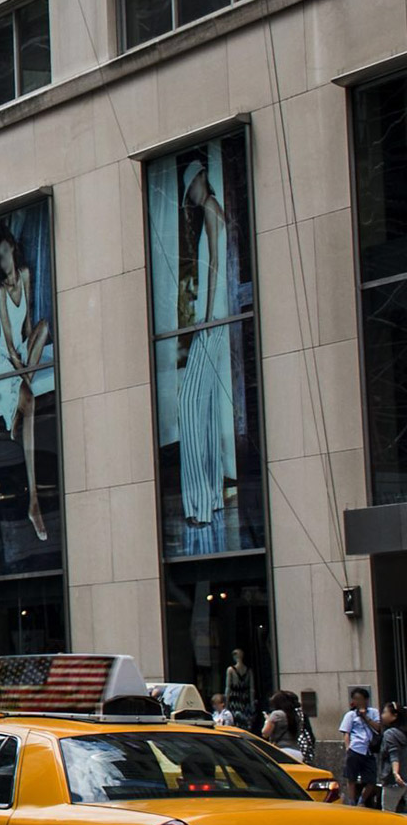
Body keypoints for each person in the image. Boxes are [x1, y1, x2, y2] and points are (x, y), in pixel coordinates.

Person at [176, 158, 237, 543]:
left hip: (213, 321)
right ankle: (211, 499)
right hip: (217, 318)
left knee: (188, 404)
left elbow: (216, 263)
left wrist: (208, 316)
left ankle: (199, 503)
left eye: (193, 187)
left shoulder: (212, 209)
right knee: (208, 409)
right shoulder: (214, 210)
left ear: (201, 179)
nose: (192, 196)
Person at [0, 221, 52, 541]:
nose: (3, 260)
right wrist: (24, 373)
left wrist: (30, 355)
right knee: (31, 400)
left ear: (12, 249)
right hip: (5, 359)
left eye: (5, 252)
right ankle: (33, 501)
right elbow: (10, 344)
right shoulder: (1, 291)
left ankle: (16, 414)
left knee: (45, 327)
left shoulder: (24, 275)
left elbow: (27, 326)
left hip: (23, 352)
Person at [341, 687, 382, 808]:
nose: (357, 702)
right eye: (355, 699)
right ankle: (352, 801)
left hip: (369, 749)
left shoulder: (373, 712)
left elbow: (378, 728)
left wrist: (365, 717)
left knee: (371, 779)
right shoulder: (350, 715)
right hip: (355, 748)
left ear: (366, 700)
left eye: (360, 699)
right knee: (351, 777)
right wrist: (348, 748)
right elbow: (346, 732)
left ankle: (362, 800)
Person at [379, 702, 406, 815]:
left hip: (394, 780)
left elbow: (393, 754)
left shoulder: (390, 734)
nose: (382, 715)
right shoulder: (403, 733)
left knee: (388, 812)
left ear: (394, 716)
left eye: (385, 712)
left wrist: (395, 773)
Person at [263, 690, 303, 761]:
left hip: (281, 751)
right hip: (297, 753)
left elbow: (265, 733)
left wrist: (267, 720)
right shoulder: (297, 715)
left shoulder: (276, 714)